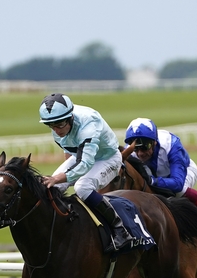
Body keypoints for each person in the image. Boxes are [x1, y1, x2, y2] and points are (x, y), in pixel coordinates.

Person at [39, 93, 134, 252]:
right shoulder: (58, 124)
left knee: (82, 187)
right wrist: (58, 181)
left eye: (60, 124)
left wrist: (57, 178)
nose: (56, 129)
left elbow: (86, 163)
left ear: (70, 117)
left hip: (107, 158)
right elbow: (69, 152)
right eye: (51, 125)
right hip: (81, 155)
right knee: (50, 188)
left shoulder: (88, 123)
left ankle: (120, 229)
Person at [124, 117, 197, 206]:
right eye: (136, 148)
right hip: (154, 177)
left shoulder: (171, 144)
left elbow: (177, 183)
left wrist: (153, 181)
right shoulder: (129, 152)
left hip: (184, 171)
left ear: (154, 142)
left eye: (145, 147)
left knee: (179, 191)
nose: (140, 153)